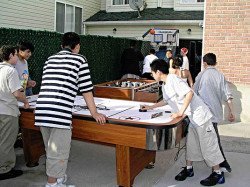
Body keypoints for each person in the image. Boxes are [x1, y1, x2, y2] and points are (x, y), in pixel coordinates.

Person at [34, 32, 106, 187]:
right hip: (59, 112)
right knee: (58, 152)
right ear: (77, 46)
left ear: (61, 46)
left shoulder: (50, 59)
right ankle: (52, 184)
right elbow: (86, 89)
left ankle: (58, 178)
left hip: (41, 110)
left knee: (50, 149)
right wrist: (94, 112)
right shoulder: (79, 59)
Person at [141, 59, 225, 186]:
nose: (152, 76)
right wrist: (150, 108)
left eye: (152, 73)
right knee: (191, 145)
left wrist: (180, 112)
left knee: (208, 145)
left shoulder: (173, 79)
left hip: (200, 117)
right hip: (192, 118)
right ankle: (189, 169)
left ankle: (218, 174)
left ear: (158, 72)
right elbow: (166, 101)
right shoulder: (165, 85)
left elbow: (189, 94)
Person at [194, 53, 235, 173]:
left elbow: (194, 93)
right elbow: (228, 95)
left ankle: (221, 166)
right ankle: (221, 164)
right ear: (215, 63)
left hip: (204, 114)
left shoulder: (201, 75)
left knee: (212, 142)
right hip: (216, 114)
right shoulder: (220, 76)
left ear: (204, 63)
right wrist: (232, 112)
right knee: (213, 139)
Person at [0, 45, 29, 180]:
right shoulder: (10, 71)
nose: (18, 57)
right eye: (16, 54)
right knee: (7, 141)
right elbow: (17, 93)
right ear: (11, 55)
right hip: (8, 111)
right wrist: (26, 102)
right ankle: (4, 170)